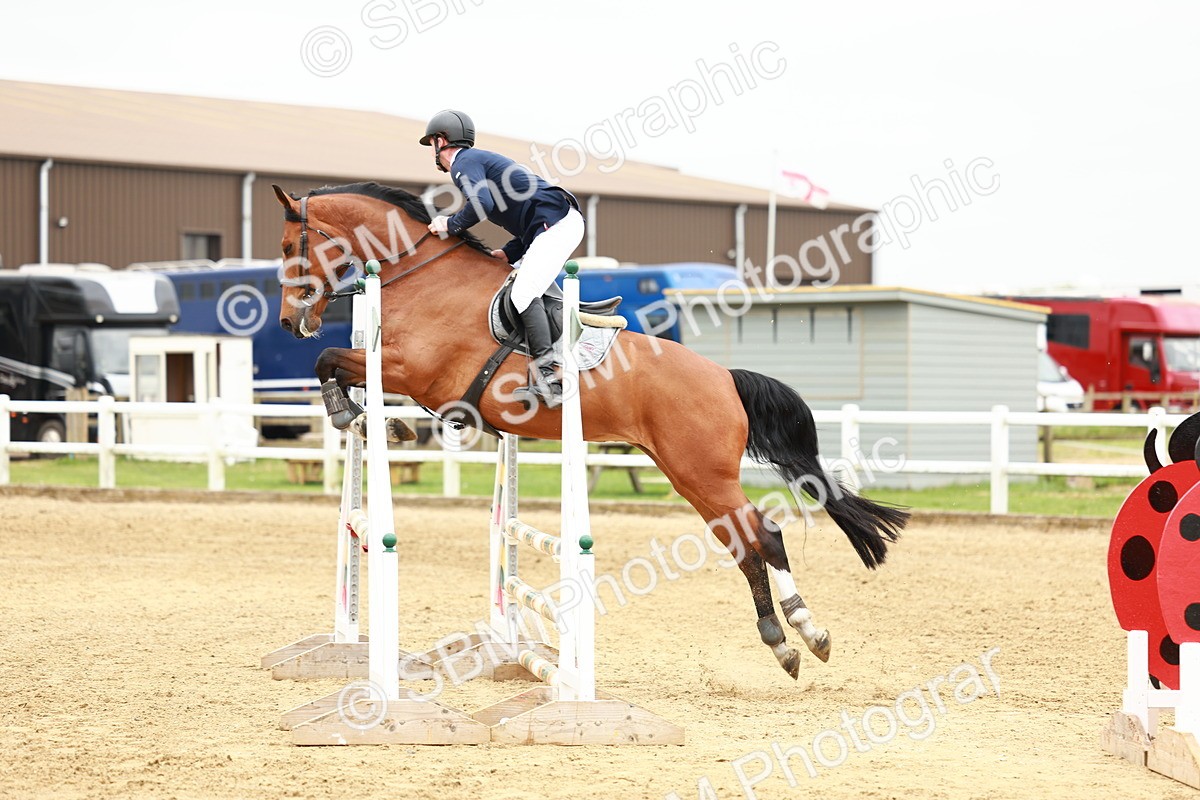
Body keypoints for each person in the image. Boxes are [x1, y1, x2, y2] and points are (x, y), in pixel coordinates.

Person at [420, 109, 584, 409]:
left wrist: (450, 224)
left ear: (441, 140)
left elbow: (480, 204)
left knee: (523, 292)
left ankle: (547, 377)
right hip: (549, 224)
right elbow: (522, 221)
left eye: (432, 143)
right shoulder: (479, 161)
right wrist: (507, 253)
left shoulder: (463, 163)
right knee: (518, 288)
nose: (434, 151)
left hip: (556, 222)